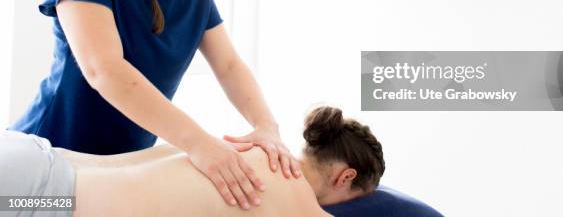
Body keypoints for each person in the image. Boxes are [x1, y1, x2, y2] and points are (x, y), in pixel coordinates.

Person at [9, 0, 299, 210]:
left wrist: (267, 126)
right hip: (47, 163)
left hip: (114, 181)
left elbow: (230, 66)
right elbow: (105, 70)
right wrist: (200, 145)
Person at [0, 106, 385, 217]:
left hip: (35, 159)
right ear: (345, 176)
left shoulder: (244, 147)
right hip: (43, 198)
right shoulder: (299, 205)